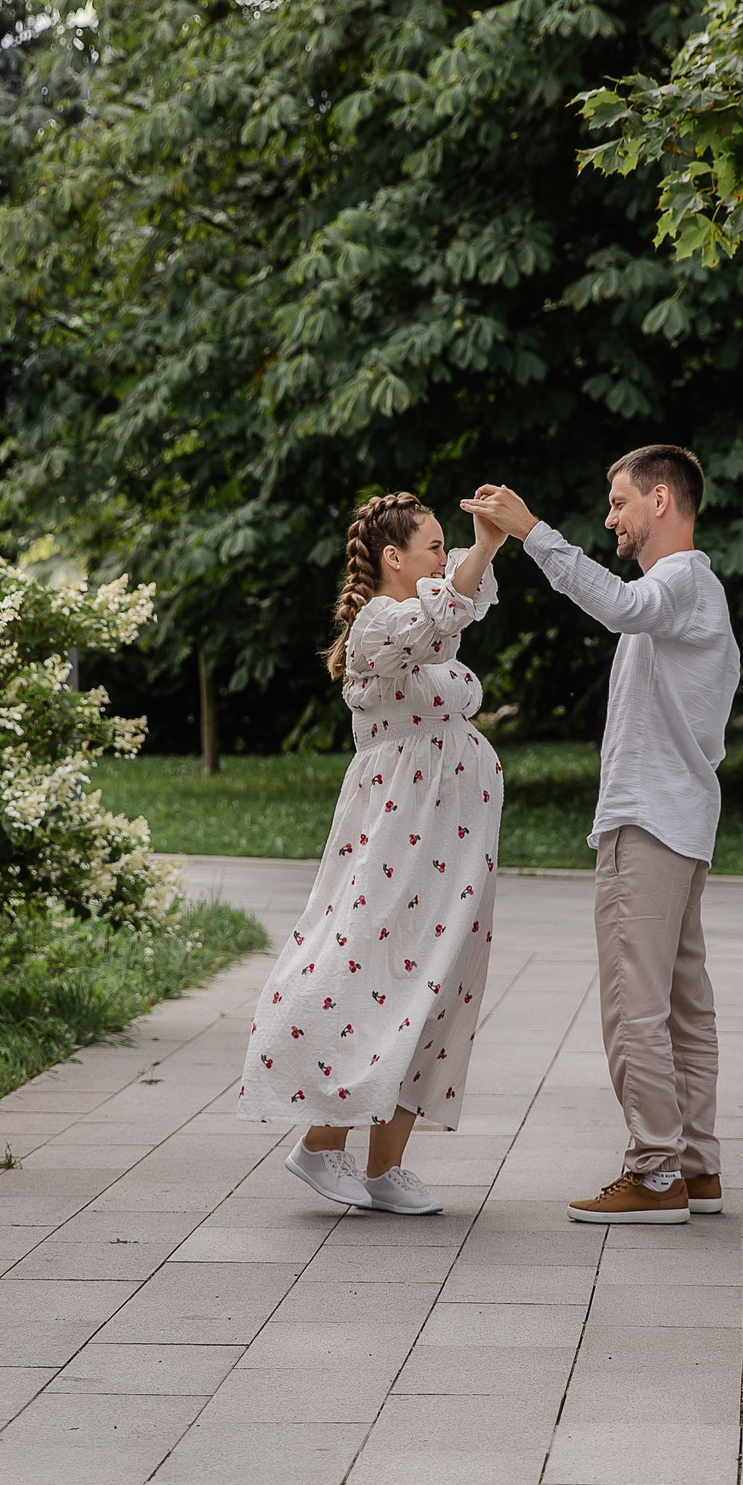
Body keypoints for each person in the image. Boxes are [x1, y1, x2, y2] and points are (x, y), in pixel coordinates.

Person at [462, 447, 741, 1226]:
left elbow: (616, 604)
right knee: (685, 1002)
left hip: (648, 821)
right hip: (679, 819)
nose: (611, 516)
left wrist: (532, 532)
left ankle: (655, 1172)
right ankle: (695, 1165)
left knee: (634, 1004)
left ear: (660, 500)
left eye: (619, 502)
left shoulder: (677, 583)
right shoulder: (691, 591)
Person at [237, 491, 510, 1215]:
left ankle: (385, 1167)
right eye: (432, 546)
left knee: (438, 982)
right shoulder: (379, 623)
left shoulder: (421, 623)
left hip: (450, 842)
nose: (442, 558)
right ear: (395, 558)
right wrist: (483, 548)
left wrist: (482, 552)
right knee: (379, 970)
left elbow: (457, 605)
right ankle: (323, 1141)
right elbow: (444, 611)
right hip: (402, 837)